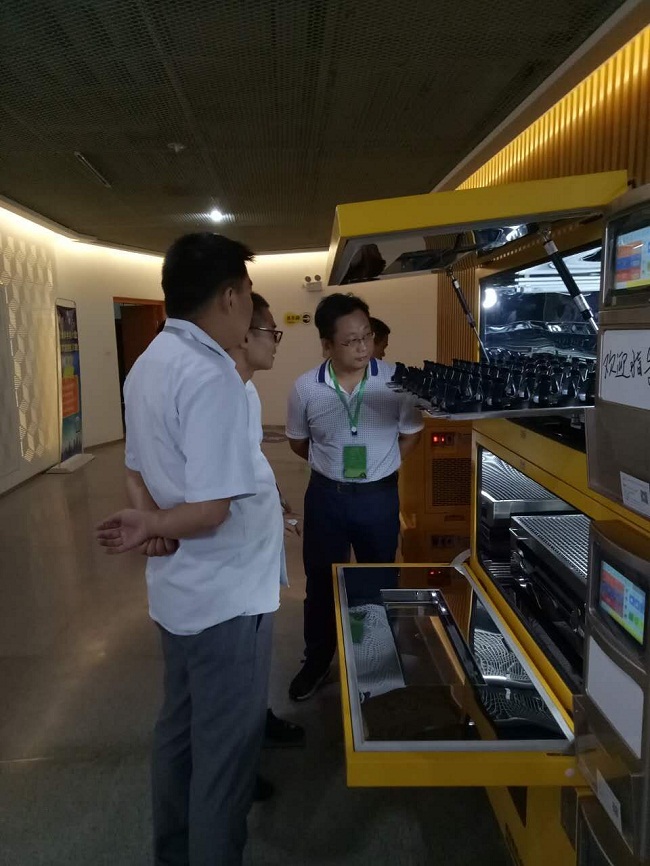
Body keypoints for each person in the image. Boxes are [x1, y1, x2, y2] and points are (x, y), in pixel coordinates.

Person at [96, 232, 284, 866]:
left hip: (180, 594)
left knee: (178, 730)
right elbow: (211, 511)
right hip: (228, 597)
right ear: (230, 296)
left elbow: (134, 468)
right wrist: (157, 525)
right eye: (249, 294)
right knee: (226, 756)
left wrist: (152, 522)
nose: (250, 308)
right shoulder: (213, 378)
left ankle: (172, 854)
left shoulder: (149, 362)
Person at [285, 293, 423, 701]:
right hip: (326, 498)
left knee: (374, 581)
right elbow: (298, 442)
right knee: (321, 582)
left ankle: (372, 664)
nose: (363, 347)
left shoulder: (396, 380)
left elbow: (411, 433)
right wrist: (332, 467)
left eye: (367, 336)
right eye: (350, 341)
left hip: (378, 499)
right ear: (327, 345)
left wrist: (382, 467)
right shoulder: (306, 388)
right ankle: (317, 660)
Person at [227, 292, 306, 774]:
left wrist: (275, 497)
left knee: (256, 651)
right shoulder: (215, 393)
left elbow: (252, 456)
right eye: (270, 332)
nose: (276, 341)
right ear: (242, 333)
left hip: (257, 543)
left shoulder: (247, 390)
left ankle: (257, 719)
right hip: (231, 554)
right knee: (235, 663)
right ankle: (237, 758)